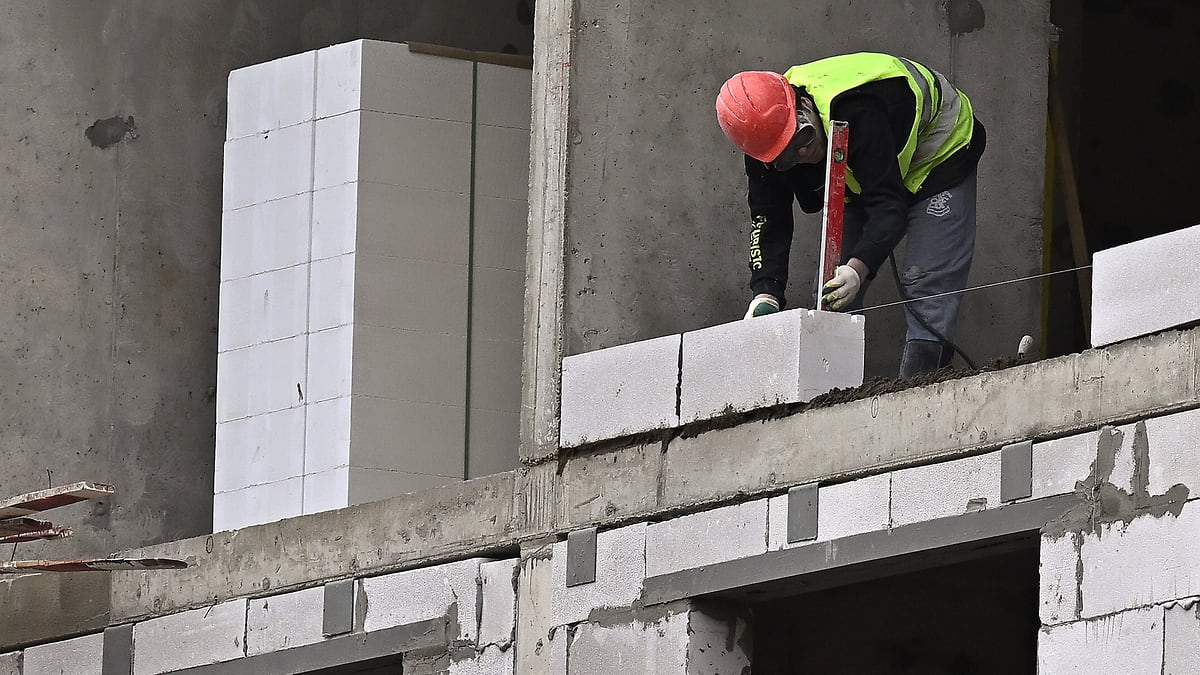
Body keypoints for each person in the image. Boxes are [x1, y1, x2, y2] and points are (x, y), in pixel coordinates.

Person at [714, 52, 986, 378]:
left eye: (803, 138)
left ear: (804, 107)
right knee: (830, 292)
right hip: (862, 167)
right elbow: (768, 220)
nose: (802, 153)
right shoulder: (765, 146)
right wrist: (765, 294)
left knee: (924, 283)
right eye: (787, 159)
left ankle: (920, 392)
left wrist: (858, 270)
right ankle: (825, 394)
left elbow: (889, 207)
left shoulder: (856, 110)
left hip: (940, 152)